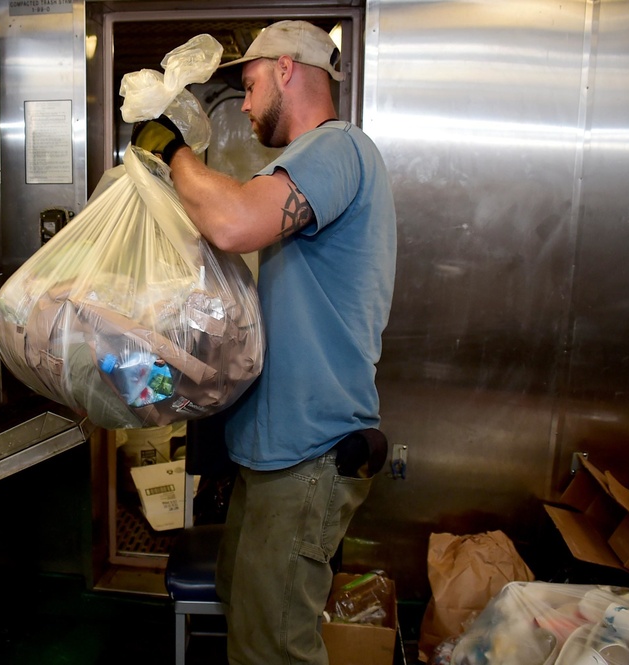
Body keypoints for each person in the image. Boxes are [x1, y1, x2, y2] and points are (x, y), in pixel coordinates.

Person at [132, 20, 397, 665]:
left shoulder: (337, 149)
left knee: (273, 647)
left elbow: (233, 220)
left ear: (286, 69)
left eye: (249, 85)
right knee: (246, 613)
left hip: (308, 454)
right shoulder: (302, 170)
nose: (245, 105)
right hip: (273, 454)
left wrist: (174, 152)